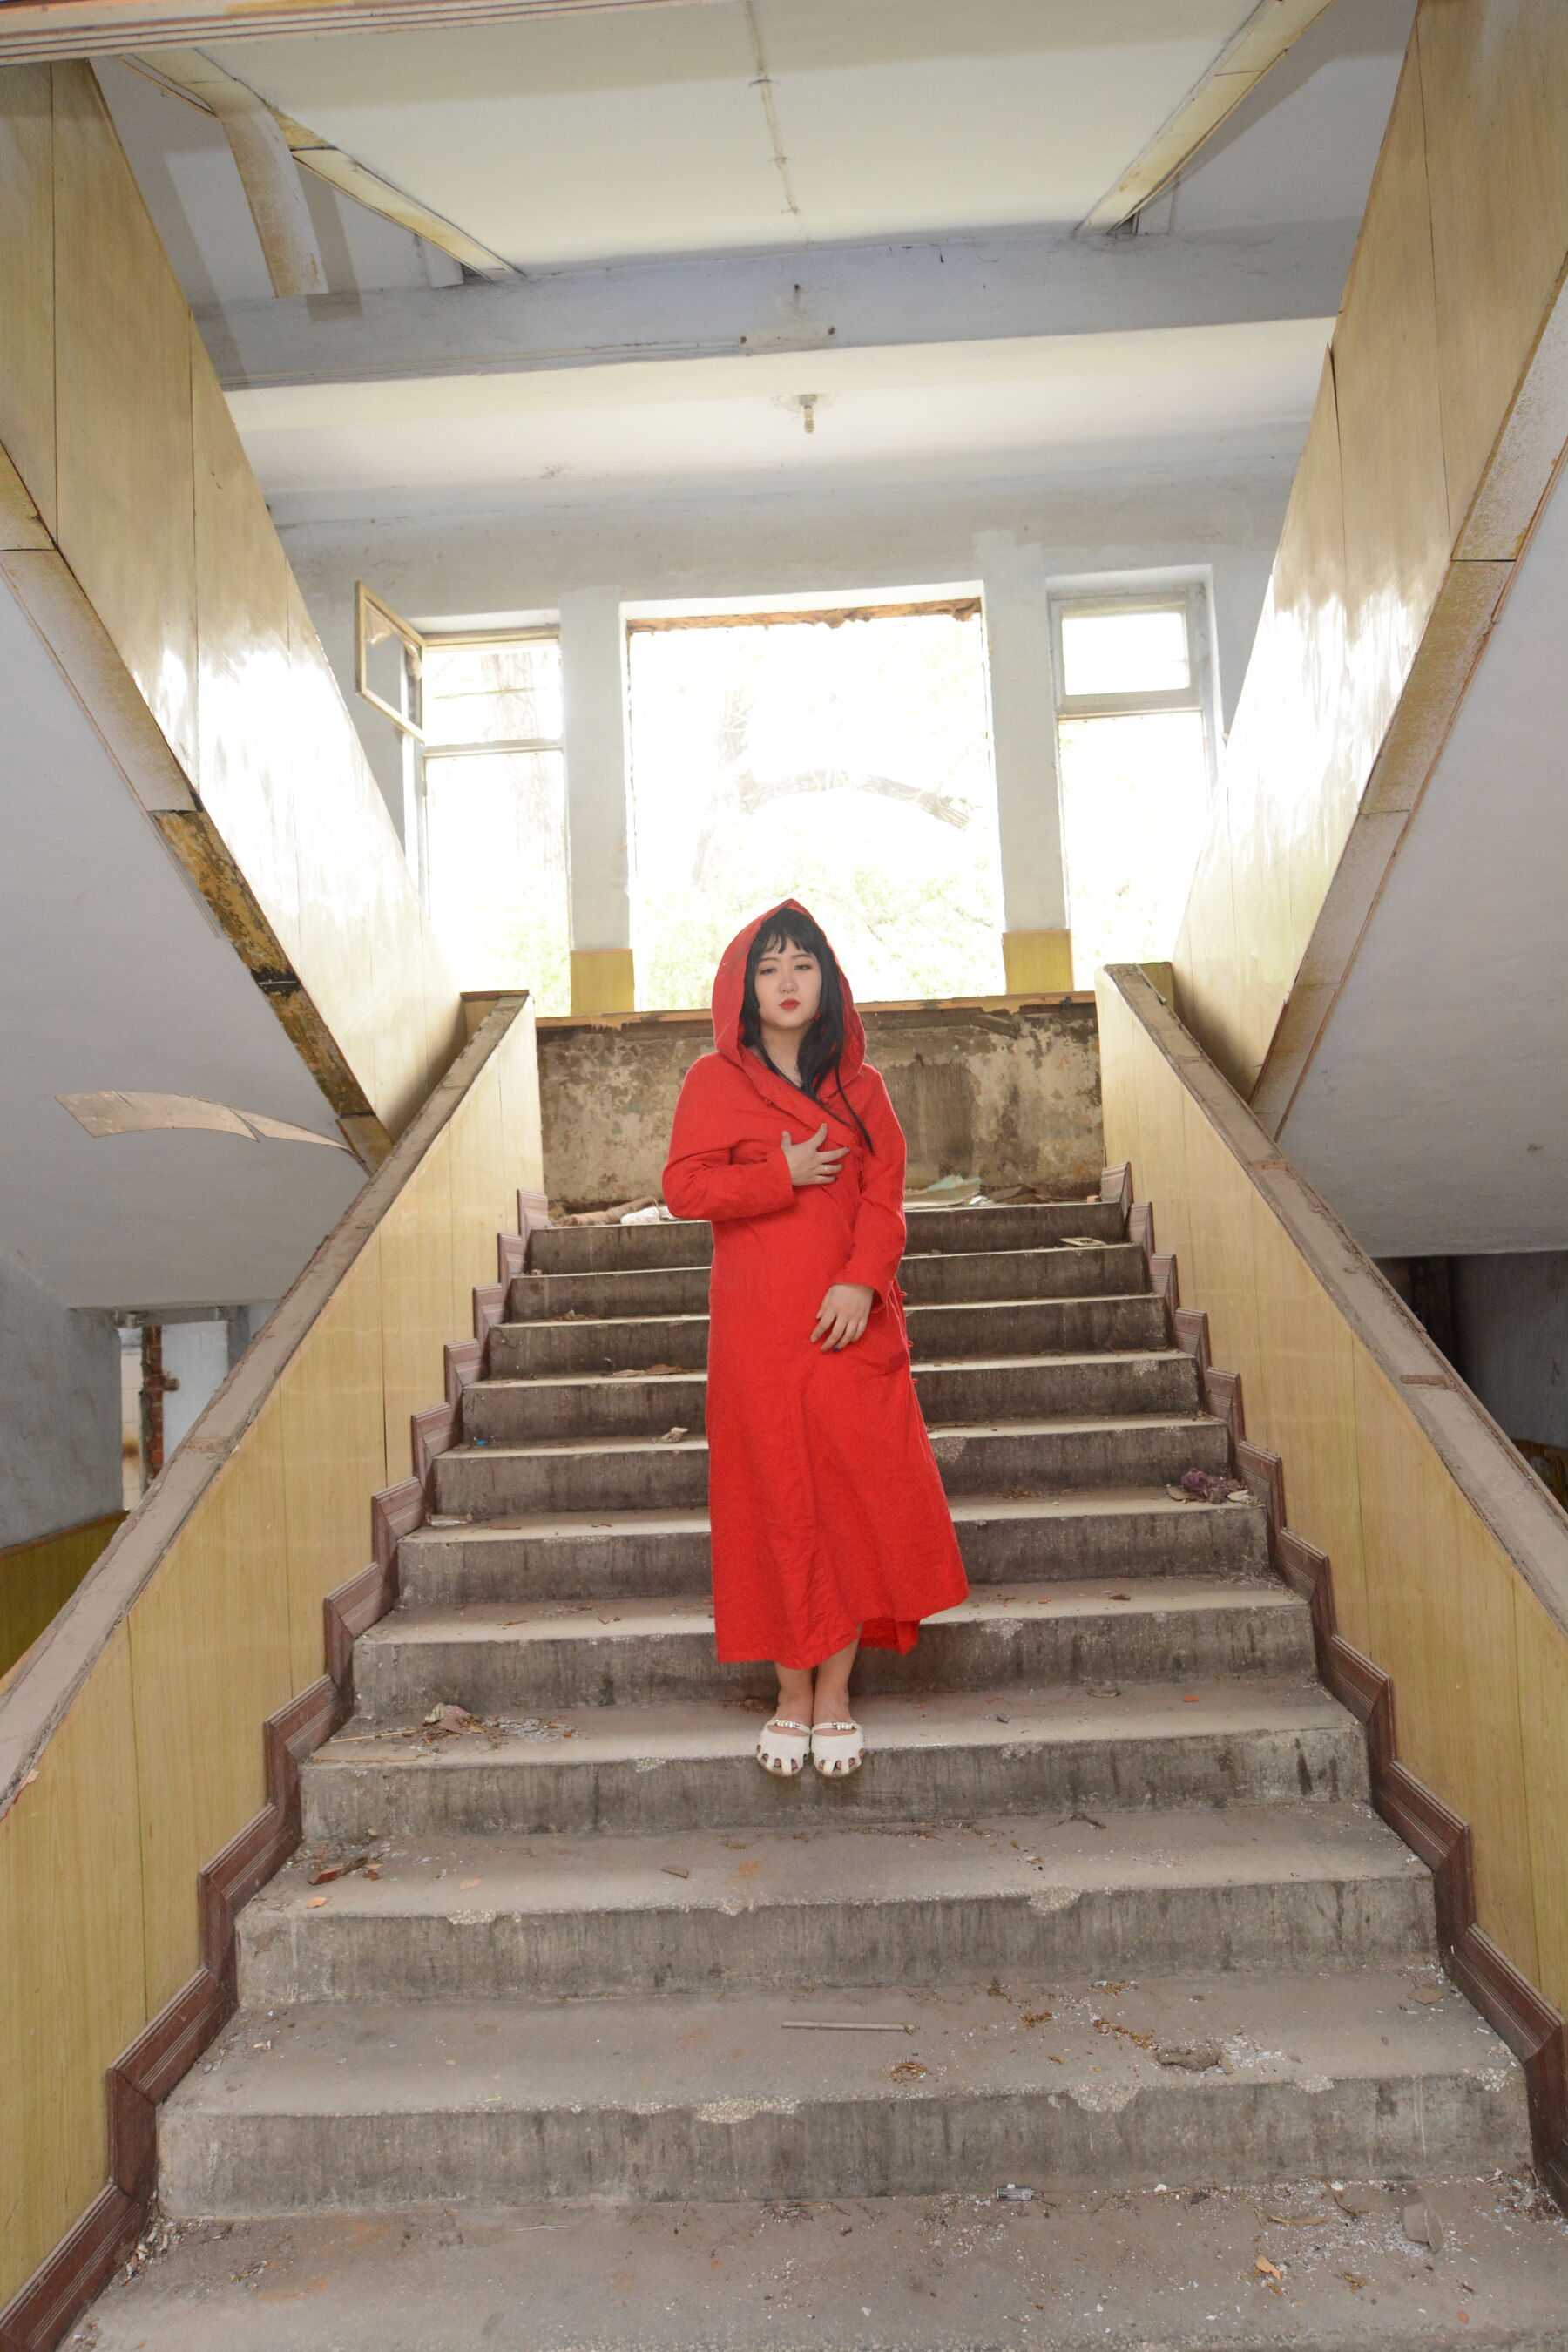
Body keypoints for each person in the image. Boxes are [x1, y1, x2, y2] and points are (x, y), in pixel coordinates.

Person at [660, 896, 969, 1780]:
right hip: (759, 1331)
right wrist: (779, 1171)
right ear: (744, 988)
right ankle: (789, 1695)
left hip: (847, 1327)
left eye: (802, 964)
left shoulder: (862, 1089)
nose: (787, 982)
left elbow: (885, 1199)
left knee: (845, 1500)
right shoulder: (714, 1082)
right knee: (776, 1498)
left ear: (827, 980)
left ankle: (834, 1695)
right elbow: (683, 1188)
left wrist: (861, 1281)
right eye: (769, 968)